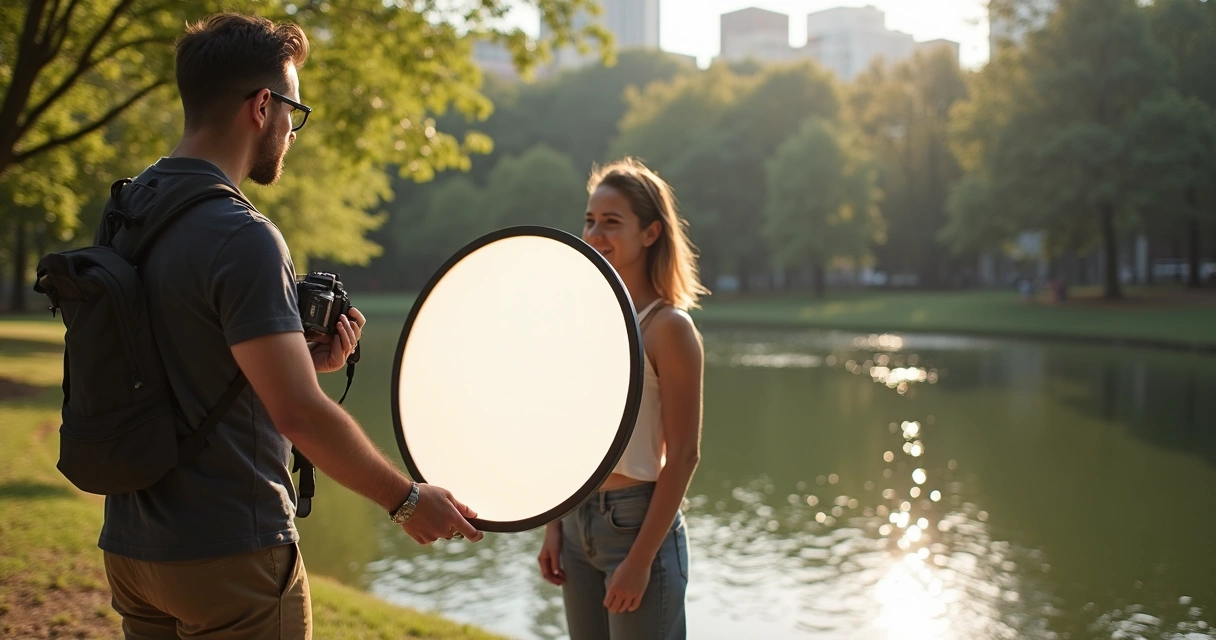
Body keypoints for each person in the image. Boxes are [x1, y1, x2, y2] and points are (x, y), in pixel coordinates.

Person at [99, 14, 482, 639]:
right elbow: (299, 415)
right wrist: (406, 499)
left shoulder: (128, 210)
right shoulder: (243, 236)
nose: (293, 132)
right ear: (260, 106)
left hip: (133, 550)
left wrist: (304, 362)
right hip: (231, 552)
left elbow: (167, 365)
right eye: (293, 113)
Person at [537, 158, 708, 639]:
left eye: (612, 223)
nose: (595, 233)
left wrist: (640, 560)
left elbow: (684, 455)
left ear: (651, 233)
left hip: (636, 525)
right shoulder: (587, 321)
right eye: (590, 220)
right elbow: (568, 434)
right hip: (575, 521)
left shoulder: (669, 328)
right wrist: (553, 526)